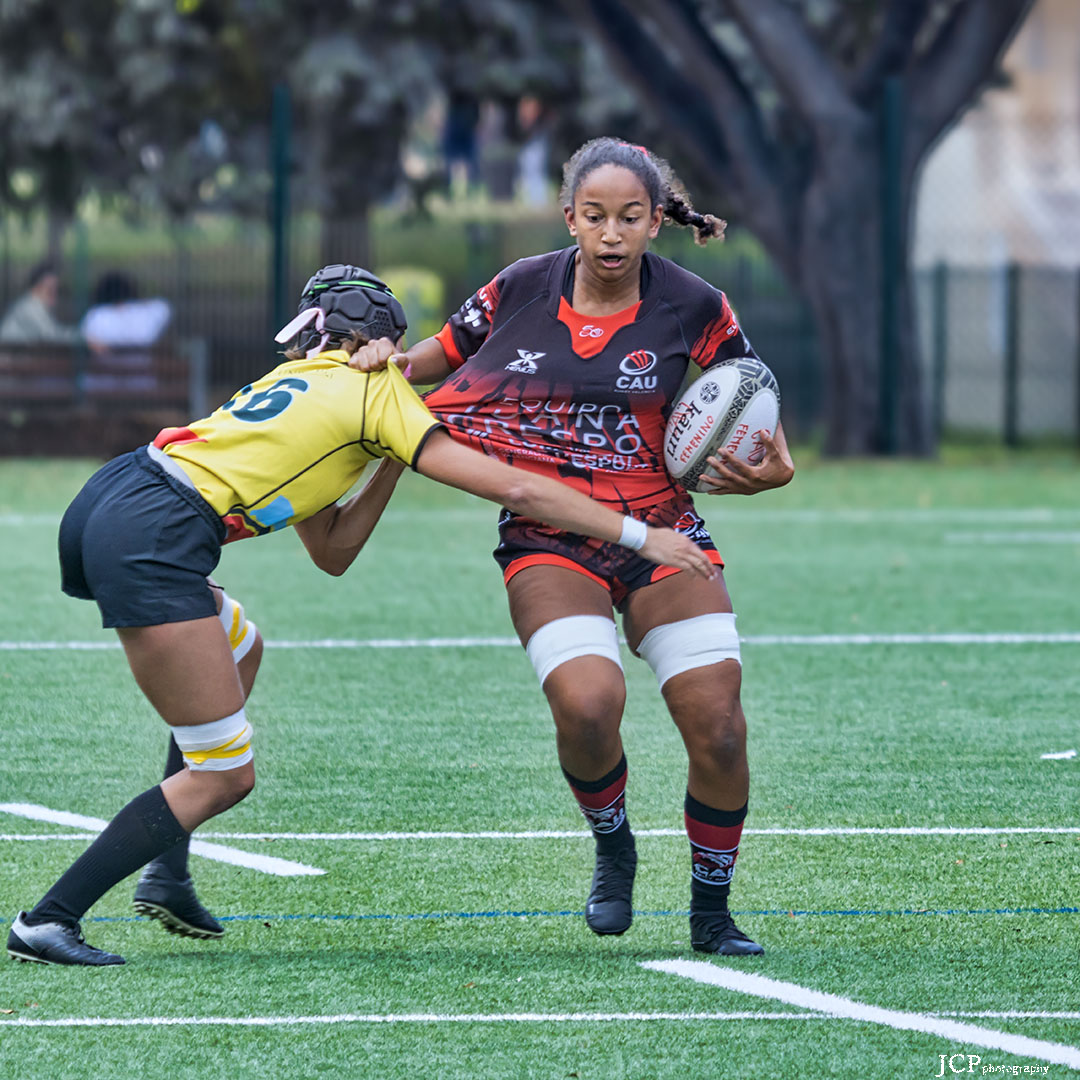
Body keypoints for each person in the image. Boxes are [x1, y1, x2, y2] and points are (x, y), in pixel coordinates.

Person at [6, 263, 713, 967]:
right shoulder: (379, 392)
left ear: (320, 333)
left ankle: (168, 870)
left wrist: (395, 456)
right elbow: (517, 486)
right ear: (380, 341)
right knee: (225, 774)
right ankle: (50, 919)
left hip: (117, 496)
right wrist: (639, 534)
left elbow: (333, 548)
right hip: (154, 534)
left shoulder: (300, 383)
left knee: (241, 648)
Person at [349, 138, 794, 955]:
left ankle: (710, 909)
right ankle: (614, 844)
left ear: (657, 221)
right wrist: (382, 360)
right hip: (547, 536)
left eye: (631, 217)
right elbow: (432, 362)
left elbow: (752, 405)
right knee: (589, 706)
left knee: (721, 728)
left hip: (661, 534)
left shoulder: (695, 304)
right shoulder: (519, 287)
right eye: (596, 217)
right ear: (570, 219)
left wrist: (775, 467)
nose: (613, 234)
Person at [0, 262, 91, 347]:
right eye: (50, 289)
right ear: (36, 288)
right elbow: (52, 335)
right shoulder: (29, 307)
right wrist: (85, 335)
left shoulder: (35, 305)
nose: (55, 293)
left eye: (56, 289)